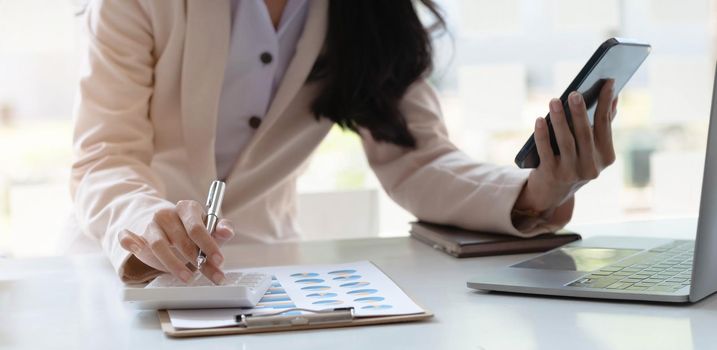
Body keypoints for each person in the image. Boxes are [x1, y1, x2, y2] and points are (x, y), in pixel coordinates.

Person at [71, 0, 618, 284]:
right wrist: (144, 223)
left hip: (268, 271)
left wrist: (534, 190)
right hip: (131, 264)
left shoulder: (368, 12)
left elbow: (417, 156)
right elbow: (105, 154)